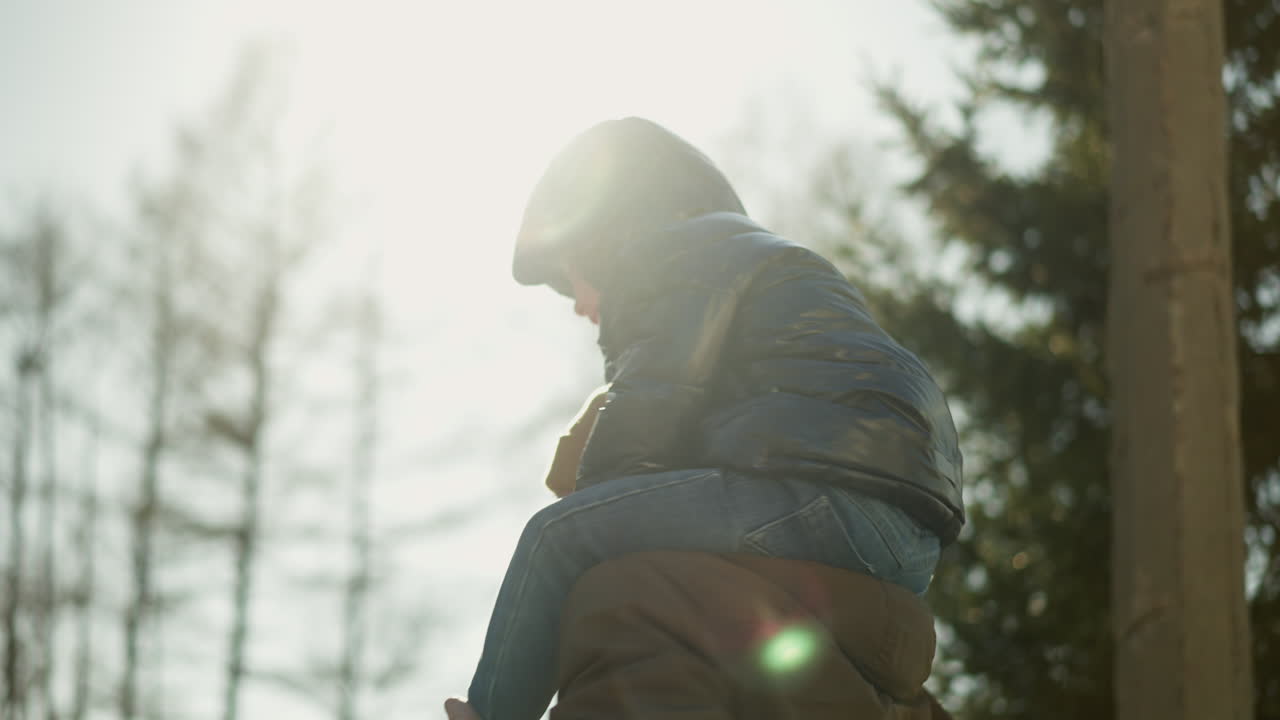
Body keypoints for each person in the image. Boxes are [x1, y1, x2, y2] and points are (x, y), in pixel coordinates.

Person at [445, 117, 964, 720]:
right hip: (905, 537)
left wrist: (596, 507)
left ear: (609, 233)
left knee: (559, 536)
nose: (583, 307)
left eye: (573, 280)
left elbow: (651, 403)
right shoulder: (753, 265)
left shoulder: (672, 257)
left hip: (820, 490)